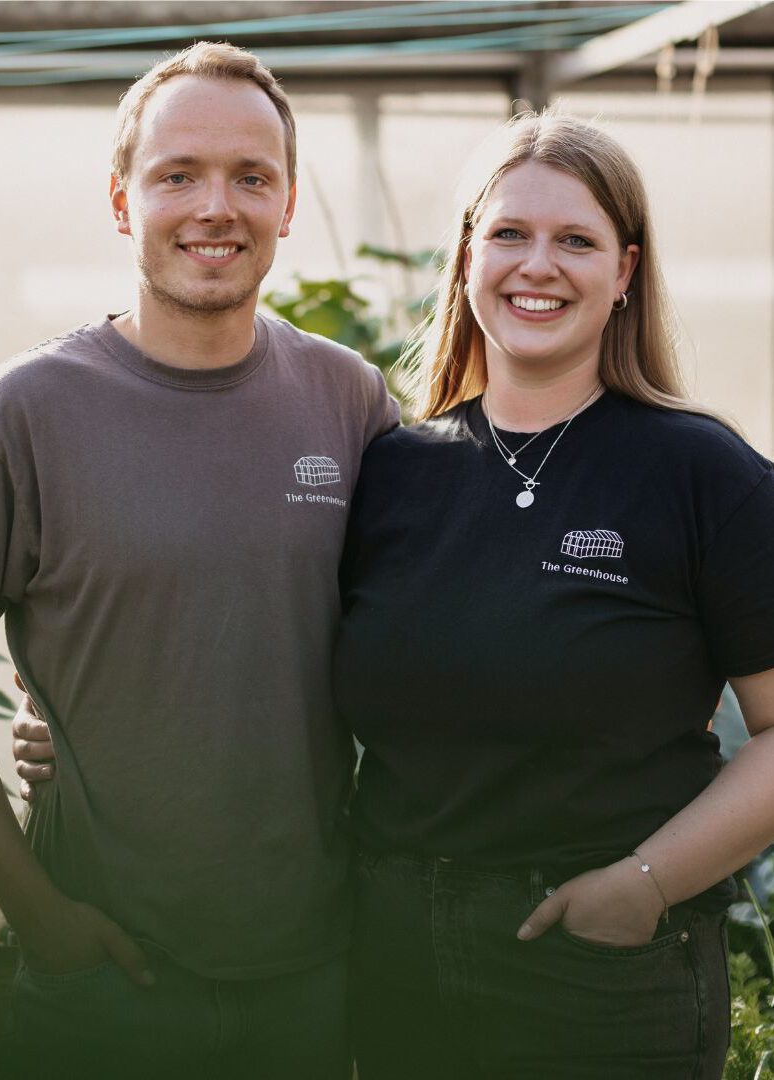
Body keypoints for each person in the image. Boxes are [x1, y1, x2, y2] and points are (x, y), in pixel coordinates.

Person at [0, 41, 396, 1080]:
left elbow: (411, 637)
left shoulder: (349, 400)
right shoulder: (24, 413)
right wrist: (37, 910)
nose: (217, 207)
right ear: (123, 201)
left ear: (288, 204)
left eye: (251, 177)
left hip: (311, 975)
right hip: (101, 982)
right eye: (177, 176)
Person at [332, 113, 774, 1079]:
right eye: (509, 234)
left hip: (602, 971)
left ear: (624, 273)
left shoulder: (702, 474)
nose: (539, 265)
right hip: (395, 959)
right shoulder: (393, 472)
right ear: (466, 258)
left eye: (576, 240)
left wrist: (643, 886)